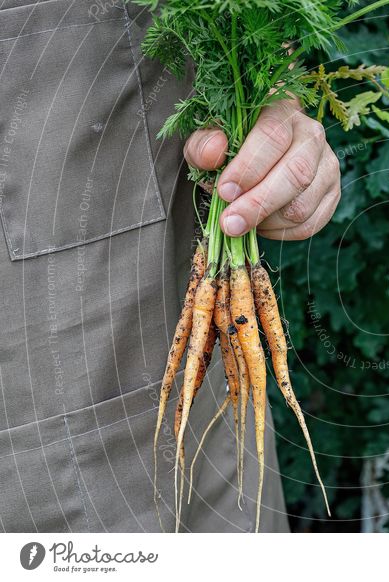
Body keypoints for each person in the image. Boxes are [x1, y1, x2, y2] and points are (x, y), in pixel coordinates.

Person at [0, 1, 340, 532]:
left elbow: (262, 20)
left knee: (233, 482)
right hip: (45, 398)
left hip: (186, 292)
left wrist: (271, 100)